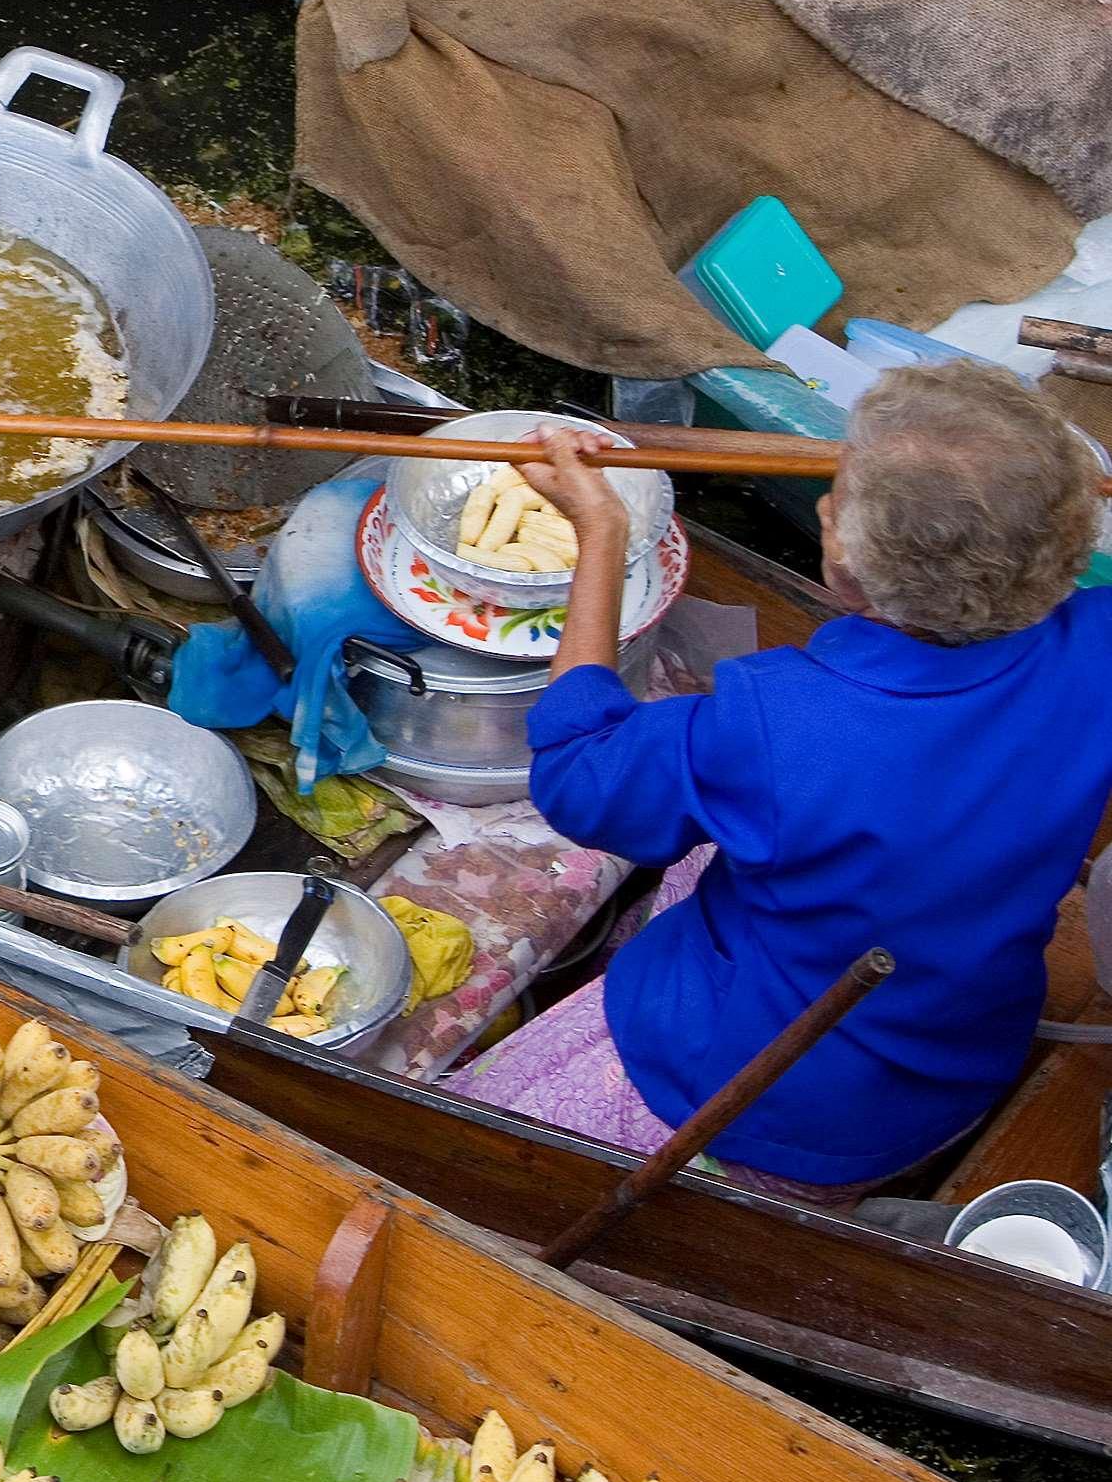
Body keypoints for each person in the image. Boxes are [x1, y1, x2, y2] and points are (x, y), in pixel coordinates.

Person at [449, 362, 1112, 1196]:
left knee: (463, 1157)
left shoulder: (781, 720)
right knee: (713, 846)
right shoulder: (1098, 642)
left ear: (853, 570)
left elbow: (579, 774)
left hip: (769, 1106)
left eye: (837, 500)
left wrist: (601, 537)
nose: (827, 506)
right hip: (957, 1053)